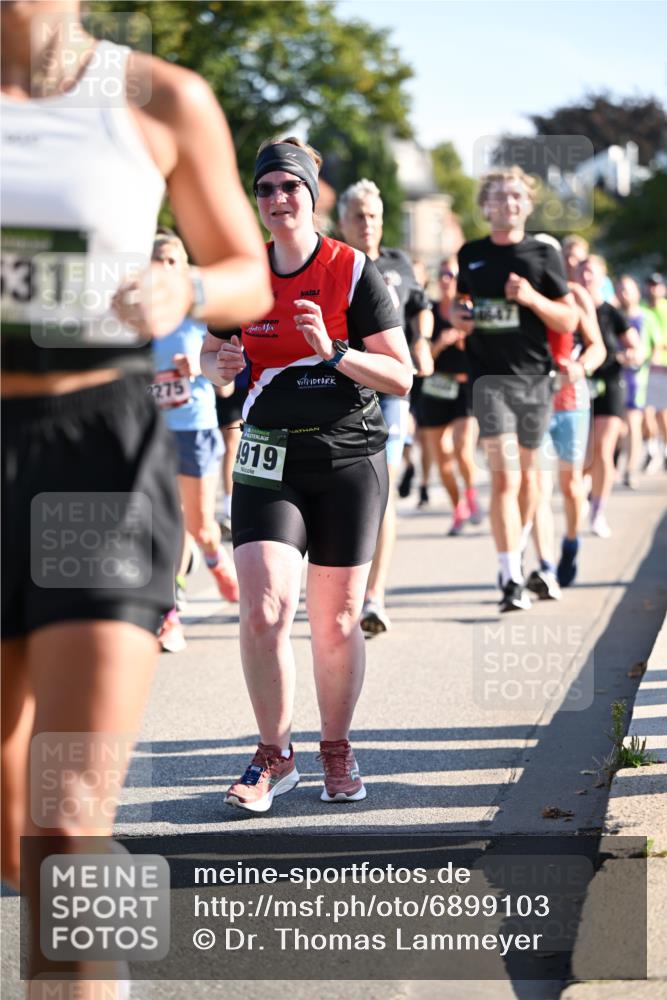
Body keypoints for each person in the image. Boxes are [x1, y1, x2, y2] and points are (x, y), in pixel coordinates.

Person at [1, 2, 271, 995]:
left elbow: (247, 271)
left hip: (96, 455)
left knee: (69, 818)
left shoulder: (158, 97)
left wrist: (187, 290)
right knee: (21, 838)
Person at [201, 137, 412, 812]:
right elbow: (211, 351)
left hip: (348, 458)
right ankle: (274, 755)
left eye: (288, 187)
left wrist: (335, 349)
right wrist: (218, 368)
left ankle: (336, 750)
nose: (276, 200)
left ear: (310, 196)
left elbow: (403, 376)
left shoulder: (351, 271)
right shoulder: (243, 277)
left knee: (336, 619)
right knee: (262, 610)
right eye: (264, 189)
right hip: (267, 455)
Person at [455, 166, 578, 612]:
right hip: (490, 381)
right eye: (498, 197)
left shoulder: (543, 256)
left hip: (535, 382)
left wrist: (530, 298)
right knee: (505, 478)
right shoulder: (470, 253)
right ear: (485, 206)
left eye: (515, 197)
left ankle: (524, 556)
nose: (507, 204)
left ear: (526, 204)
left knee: (531, 481)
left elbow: (568, 320)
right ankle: (509, 576)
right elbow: (460, 304)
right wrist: (458, 315)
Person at [337, 178, 434, 635]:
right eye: (358, 215)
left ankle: (374, 596)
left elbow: (421, 306)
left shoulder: (397, 264)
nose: (367, 224)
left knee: (382, 490)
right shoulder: (332, 262)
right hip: (337, 389)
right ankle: (342, 589)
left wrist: (425, 342)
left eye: (373, 215)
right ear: (343, 221)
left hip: (389, 392)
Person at [150, 232, 240, 652]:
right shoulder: (139, 320)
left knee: (199, 526)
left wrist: (199, 370)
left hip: (196, 430)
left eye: (171, 260)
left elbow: (224, 389)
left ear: (183, 268)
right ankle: (170, 615)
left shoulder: (200, 318)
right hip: (154, 433)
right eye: (156, 261)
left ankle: (215, 558)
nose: (164, 268)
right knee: (163, 525)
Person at [527, 234, 606, 595]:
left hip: (572, 401)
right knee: (538, 487)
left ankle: (571, 543)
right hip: (533, 401)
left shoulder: (575, 296)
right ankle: (544, 566)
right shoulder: (520, 296)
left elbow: (597, 347)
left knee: (571, 485)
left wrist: (581, 367)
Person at [577, 256, 642, 537]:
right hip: (578, 386)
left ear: (602, 276)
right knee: (584, 454)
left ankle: (598, 512)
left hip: (610, 383)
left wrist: (631, 355)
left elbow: (635, 347)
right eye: (583, 271)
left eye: (592, 272)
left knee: (603, 450)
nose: (587, 276)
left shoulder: (610, 312)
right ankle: (578, 496)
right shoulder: (569, 309)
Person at [417, 255, 482, 535]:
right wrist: (439, 345)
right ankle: (459, 509)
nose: (447, 280)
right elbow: (421, 357)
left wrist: (467, 338)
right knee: (442, 459)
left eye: (452, 275)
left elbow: (485, 353)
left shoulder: (469, 310)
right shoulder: (428, 312)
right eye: (443, 274)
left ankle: (470, 493)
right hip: (434, 388)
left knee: (462, 449)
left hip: (465, 389)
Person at [614, 274, 660, 489]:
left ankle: (630, 470)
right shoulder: (612, 315)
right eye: (620, 289)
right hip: (613, 378)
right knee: (618, 427)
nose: (623, 293)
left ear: (636, 293)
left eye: (627, 289)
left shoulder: (646, 317)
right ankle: (613, 462)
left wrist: (641, 358)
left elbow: (656, 345)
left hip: (637, 379)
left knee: (634, 425)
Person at [642, 273, 667, 472]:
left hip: (663, 367)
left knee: (662, 414)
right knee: (646, 413)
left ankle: (664, 450)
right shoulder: (642, 308)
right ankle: (651, 450)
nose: (652, 289)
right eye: (650, 285)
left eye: (656, 285)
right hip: (644, 368)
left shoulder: (665, 309)